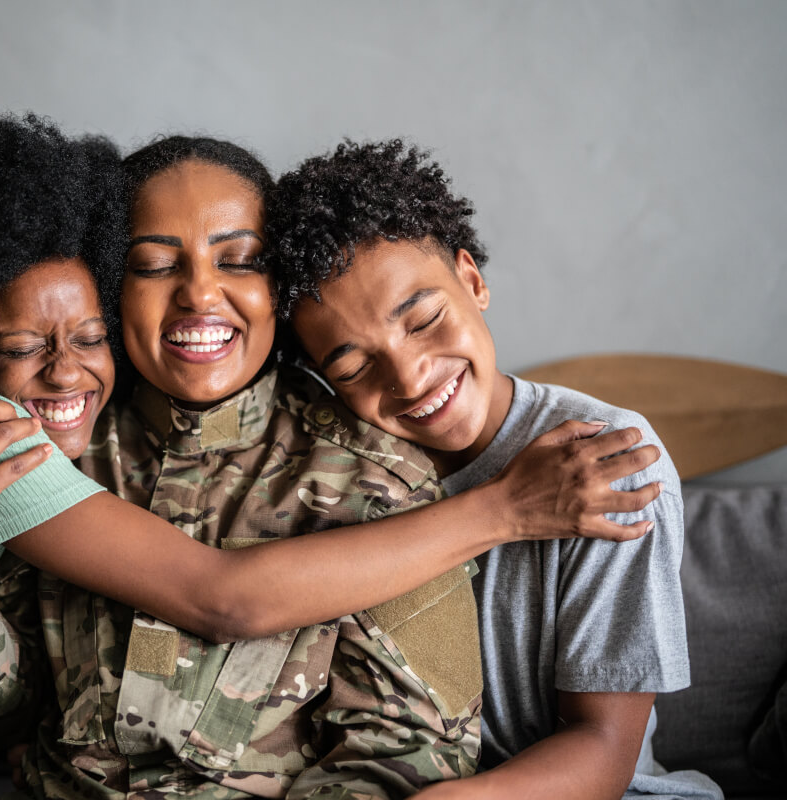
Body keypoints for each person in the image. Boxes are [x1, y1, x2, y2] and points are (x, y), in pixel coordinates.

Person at [0, 112, 659, 800]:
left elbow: (404, 756)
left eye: (238, 263)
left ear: (283, 299)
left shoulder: (376, 473)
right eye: (153, 266)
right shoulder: (50, 450)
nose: (200, 297)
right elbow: (0, 711)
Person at [269, 139, 723, 799]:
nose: (409, 375)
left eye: (424, 320)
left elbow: (604, 749)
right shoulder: (330, 474)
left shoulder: (602, 459)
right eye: (353, 366)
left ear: (473, 281)